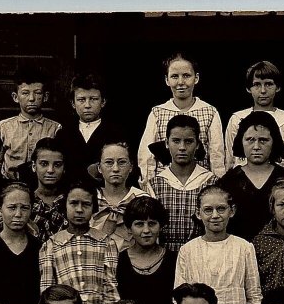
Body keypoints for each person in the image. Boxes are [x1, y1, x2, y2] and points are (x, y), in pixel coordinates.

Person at [175, 185, 261, 304]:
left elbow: (254, 295)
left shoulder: (244, 247)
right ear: (198, 213)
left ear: (232, 211)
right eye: (208, 210)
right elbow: (178, 298)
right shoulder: (188, 250)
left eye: (221, 209)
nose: (215, 216)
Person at [39, 179, 120, 304]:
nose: (79, 210)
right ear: (65, 205)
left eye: (86, 204)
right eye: (73, 203)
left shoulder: (106, 242)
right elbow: (47, 292)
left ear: (94, 208)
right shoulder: (51, 245)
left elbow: (111, 289)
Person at [138, 52, 226, 185]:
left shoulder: (210, 111)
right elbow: (147, 156)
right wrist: (148, 183)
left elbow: (216, 154)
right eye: (174, 76)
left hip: (202, 182)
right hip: (165, 183)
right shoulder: (157, 113)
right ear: (167, 80)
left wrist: (218, 184)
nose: (180, 82)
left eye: (186, 76)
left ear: (196, 78)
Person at [217, 111, 284, 241]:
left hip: (277, 253)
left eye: (263, 140)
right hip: (238, 252)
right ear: (241, 141)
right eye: (250, 140)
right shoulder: (227, 182)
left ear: (274, 142)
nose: (256, 146)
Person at [224, 60, 284, 182]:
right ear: (249, 88)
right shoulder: (237, 119)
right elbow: (230, 159)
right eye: (257, 84)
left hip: (280, 185)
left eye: (268, 84)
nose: (263, 90)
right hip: (242, 184)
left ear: (277, 87)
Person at [145, 114, 217, 251]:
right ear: (167, 143)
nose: (182, 147)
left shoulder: (211, 182)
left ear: (197, 144)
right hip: (163, 257)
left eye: (189, 141)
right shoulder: (155, 184)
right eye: (176, 141)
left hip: (201, 254)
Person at [117, 196, 178, 304]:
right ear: (129, 228)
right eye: (139, 224)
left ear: (161, 226)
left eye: (152, 224)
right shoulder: (119, 260)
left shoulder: (175, 260)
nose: (146, 230)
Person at [0, 67, 62, 179]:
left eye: (37, 93)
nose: (31, 98)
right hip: (10, 185)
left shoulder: (55, 128)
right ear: (15, 97)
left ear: (45, 97)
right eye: (25, 93)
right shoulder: (4, 127)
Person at [54, 73, 125, 177]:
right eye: (81, 100)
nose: (87, 105)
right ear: (73, 103)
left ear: (103, 102)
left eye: (93, 99)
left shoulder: (115, 133)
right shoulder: (64, 134)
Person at [88, 140, 149, 251]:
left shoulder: (142, 199)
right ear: (99, 168)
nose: (115, 169)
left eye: (121, 162)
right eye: (109, 162)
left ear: (131, 167)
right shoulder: (89, 198)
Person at [29, 137, 68, 243]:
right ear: (34, 166)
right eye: (44, 164)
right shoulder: (26, 201)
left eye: (57, 165)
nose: (50, 170)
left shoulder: (70, 202)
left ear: (64, 168)